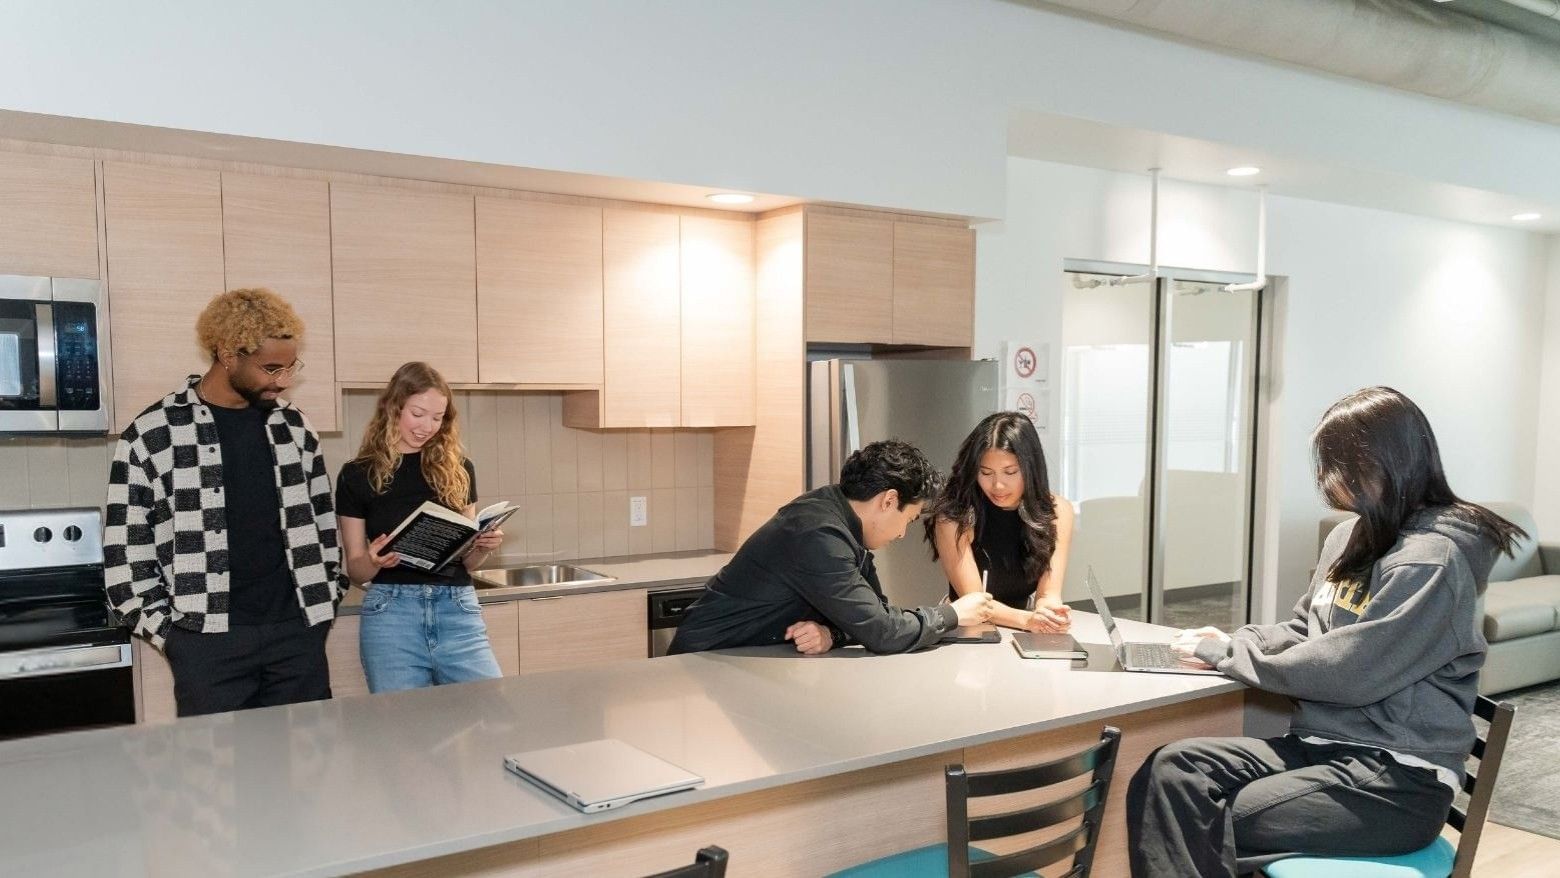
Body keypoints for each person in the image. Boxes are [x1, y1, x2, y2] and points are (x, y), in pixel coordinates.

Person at [1126, 386, 1526, 877]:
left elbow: (1350, 671)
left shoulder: (1431, 560)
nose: (1325, 480)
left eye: (1335, 465)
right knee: (1172, 771)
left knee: (1206, 814)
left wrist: (1229, 655)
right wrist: (1231, 644)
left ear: (1385, 463)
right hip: (1323, 748)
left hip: (1396, 780)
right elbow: (1303, 627)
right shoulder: (1348, 537)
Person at [105, 288, 343, 717]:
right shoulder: (153, 434)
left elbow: (324, 523)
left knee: (306, 780)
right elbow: (127, 552)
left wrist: (326, 601)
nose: (282, 380)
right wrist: (174, 638)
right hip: (207, 643)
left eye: (290, 367)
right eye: (271, 368)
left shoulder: (294, 427)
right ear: (228, 354)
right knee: (216, 781)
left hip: (297, 634)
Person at [668, 440, 992, 656]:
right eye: (908, 519)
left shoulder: (843, 521)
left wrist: (831, 634)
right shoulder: (818, 535)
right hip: (704, 663)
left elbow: (872, 614)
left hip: (747, 660)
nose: (904, 533)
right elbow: (883, 631)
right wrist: (952, 613)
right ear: (888, 500)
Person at [335, 362, 507, 693]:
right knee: (402, 731)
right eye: (418, 413)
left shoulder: (460, 470)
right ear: (392, 406)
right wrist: (373, 559)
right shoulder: (356, 475)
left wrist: (480, 545)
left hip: (457, 609)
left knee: (491, 715)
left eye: (437, 417)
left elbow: (466, 563)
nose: (427, 426)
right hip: (392, 614)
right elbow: (356, 570)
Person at [925, 412, 1075, 633]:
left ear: (1031, 468)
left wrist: (1050, 614)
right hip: (969, 630)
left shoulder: (1058, 512)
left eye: (1010, 472)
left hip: (1025, 629)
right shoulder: (953, 516)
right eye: (986, 473)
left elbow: (1048, 594)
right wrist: (1027, 621)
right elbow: (974, 602)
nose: (998, 486)